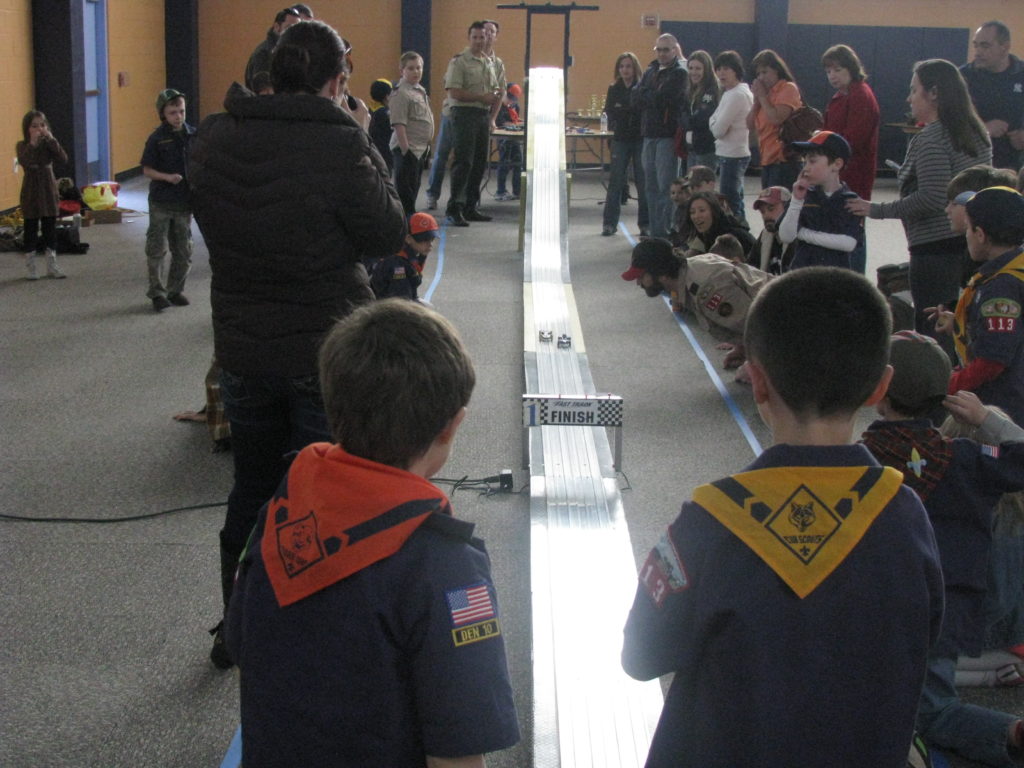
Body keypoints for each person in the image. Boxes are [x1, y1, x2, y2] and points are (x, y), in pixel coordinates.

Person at [622, 266, 944, 768]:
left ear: (757, 381)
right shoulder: (906, 517)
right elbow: (922, 643)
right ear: (881, 387)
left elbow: (640, 657)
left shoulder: (709, 523)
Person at [189, 19, 406, 669]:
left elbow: (214, 221)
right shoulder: (341, 145)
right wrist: (365, 141)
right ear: (336, 80)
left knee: (251, 488)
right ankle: (317, 633)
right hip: (321, 347)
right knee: (322, 497)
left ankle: (237, 625)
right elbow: (385, 231)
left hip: (244, 348)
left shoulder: (215, 137)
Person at [225, 299, 521, 766]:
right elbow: (459, 746)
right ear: (452, 425)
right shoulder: (446, 566)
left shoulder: (279, 516)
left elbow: (241, 641)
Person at [860, 331, 1024, 767]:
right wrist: (987, 417)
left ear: (877, 391)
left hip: (882, 610)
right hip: (953, 607)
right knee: (932, 698)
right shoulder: (967, 458)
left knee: (925, 710)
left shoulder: (860, 460)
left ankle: (1002, 733)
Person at [848, 59, 992, 346]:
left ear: (934, 93)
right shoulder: (976, 133)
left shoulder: (931, 138)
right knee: (960, 327)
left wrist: (876, 210)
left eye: (914, 90)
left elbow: (932, 198)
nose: (908, 98)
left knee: (932, 333)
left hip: (934, 250)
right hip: (970, 246)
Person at [930, 187, 1024, 428]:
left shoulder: (1002, 286)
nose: (968, 237)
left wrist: (949, 385)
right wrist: (962, 324)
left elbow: (993, 360)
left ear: (980, 234)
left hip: (1003, 406)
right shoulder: (1013, 270)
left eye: (969, 229)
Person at [620, 237, 770, 349]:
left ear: (661, 273)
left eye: (641, 276)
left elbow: (762, 327)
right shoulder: (691, 269)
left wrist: (756, 364)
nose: (638, 283)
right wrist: (743, 349)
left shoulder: (706, 289)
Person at [821, 44, 880, 274]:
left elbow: (852, 141)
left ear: (851, 68)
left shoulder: (861, 95)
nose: (832, 76)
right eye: (828, 71)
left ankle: (855, 280)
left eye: (837, 70)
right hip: (835, 174)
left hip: (854, 176)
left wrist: (825, 147)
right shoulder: (839, 97)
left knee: (853, 230)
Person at [141, 89, 195, 311]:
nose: (178, 117)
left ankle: (175, 289)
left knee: (183, 249)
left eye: (181, 111)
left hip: (184, 202)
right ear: (163, 114)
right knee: (157, 248)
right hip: (162, 201)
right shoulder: (156, 139)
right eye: (173, 112)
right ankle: (157, 292)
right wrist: (167, 178)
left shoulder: (192, 135)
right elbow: (147, 170)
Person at [443, 21, 500, 227]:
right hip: (464, 114)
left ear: (487, 39)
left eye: (482, 37)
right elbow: (453, 92)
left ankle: (470, 206)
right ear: (469, 38)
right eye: (475, 37)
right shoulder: (459, 61)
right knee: (464, 161)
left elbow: (496, 91)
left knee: (478, 162)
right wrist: (481, 97)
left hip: (482, 116)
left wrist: (491, 108)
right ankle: (455, 207)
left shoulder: (489, 62)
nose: (478, 41)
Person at [778, 131, 861, 271]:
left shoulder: (850, 200)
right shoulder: (804, 196)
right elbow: (786, 236)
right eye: (804, 162)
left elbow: (848, 243)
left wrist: (804, 234)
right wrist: (796, 201)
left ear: (836, 164)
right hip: (802, 274)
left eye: (812, 161)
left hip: (836, 277)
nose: (806, 168)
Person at [637, 33, 688, 238]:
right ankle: (655, 230)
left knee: (666, 187)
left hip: (666, 136)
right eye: (658, 49)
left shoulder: (679, 74)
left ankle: (666, 231)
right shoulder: (650, 70)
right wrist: (649, 95)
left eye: (666, 49)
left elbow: (664, 98)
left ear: (675, 50)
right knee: (650, 186)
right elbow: (637, 96)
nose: (662, 53)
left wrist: (647, 95)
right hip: (648, 134)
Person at [961, 21, 1024, 171]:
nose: (977, 52)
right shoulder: (963, 77)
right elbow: (949, 122)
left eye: (985, 46)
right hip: (974, 165)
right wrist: (984, 129)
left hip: (1017, 165)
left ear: (1005, 47)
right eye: (976, 45)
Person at [17, 110, 68, 280]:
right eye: (34, 126)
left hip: (47, 186)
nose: (39, 129)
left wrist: (51, 139)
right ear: (27, 129)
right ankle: (31, 266)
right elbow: (24, 160)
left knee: (49, 227)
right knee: (31, 226)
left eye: (42, 125)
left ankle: (52, 265)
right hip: (31, 187)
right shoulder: (22, 145)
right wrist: (32, 143)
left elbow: (63, 158)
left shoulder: (49, 144)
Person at [602, 52, 648, 237]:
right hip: (620, 139)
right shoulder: (614, 89)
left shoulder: (642, 88)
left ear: (635, 68)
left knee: (642, 182)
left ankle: (645, 224)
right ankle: (609, 223)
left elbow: (643, 112)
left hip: (639, 139)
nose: (625, 70)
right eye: (622, 66)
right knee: (616, 182)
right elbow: (609, 112)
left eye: (628, 66)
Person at [748, 49, 803, 191]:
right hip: (767, 159)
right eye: (758, 74)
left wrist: (762, 97)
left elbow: (776, 118)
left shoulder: (787, 88)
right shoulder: (765, 95)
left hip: (783, 161)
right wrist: (756, 101)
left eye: (765, 72)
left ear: (777, 70)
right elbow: (749, 124)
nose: (761, 77)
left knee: (780, 205)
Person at [709, 51, 753, 223]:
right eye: (718, 69)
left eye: (726, 68)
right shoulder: (730, 93)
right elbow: (714, 120)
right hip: (731, 154)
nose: (721, 73)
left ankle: (738, 240)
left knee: (731, 204)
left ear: (736, 70)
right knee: (736, 202)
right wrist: (714, 122)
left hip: (733, 155)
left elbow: (718, 130)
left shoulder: (737, 94)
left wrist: (713, 123)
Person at [390, 53, 434, 216]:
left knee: (413, 189)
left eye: (419, 67)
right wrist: (405, 149)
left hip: (420, 149)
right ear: (402, 70)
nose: (416, 71)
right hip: (407, 150)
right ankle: (404, 227)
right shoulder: (401, 93)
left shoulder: (419, 91)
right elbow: (399, 123)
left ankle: (409, 223)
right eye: (411, 68)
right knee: (405, 194)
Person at [370, 212, 439, 301]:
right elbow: (401, 301)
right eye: (424, 240)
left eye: (432, 239)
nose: (430, 244)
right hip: (384, 307)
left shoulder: (411, 255)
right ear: (408, 238)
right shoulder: (397, 265)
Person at [679, 191, 754, 257]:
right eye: (692, 212)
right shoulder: (705, 234)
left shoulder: (730, 236)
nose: (696, 216)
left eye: (702, 210)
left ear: (714, 212)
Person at [244, 7, 301, 92]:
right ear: (277, 27)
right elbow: (264, 93)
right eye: (289, 28)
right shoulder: (265, 53)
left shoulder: (287, 53)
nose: (294, 34)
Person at [682, 50, 720, 172]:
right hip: (692, 148)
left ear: (707, 69)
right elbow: (681, 113)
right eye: (691, 68)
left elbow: (703, 118)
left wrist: (688, 122)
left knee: (702, 187)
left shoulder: (712, 90)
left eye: (698, 68)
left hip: (706, 149)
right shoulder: (689, 90)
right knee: (691, 187)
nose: (694, 72)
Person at [748, 185, 795, 274]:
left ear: (787, 208)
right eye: (762, 211)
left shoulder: (799, 238)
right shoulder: (765, 236)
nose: (766, 216)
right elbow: (751, 268)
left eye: (771, 209)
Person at [495, 82, 523, 202]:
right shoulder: (498, 106)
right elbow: (499, 122)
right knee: (504, 164)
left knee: (518, 162)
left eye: (514, 99)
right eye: (510, 98)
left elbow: (516, 120)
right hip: (504, 138)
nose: (511, 101)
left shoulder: (515, 107)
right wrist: (513, 125)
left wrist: (520, 124)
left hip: (515, 137)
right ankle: (500, 191)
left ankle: (517, 191)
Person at [367, 78, 394, 172]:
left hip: (373, 152)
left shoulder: (370, 109)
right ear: (387, 96)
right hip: (385, 154)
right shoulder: (386, 114)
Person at [667, 176, 691, 247]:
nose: (676, 196)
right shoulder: (678, 210)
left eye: (680, 193)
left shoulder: (688, 210)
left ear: (688, 194)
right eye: (673, 193)